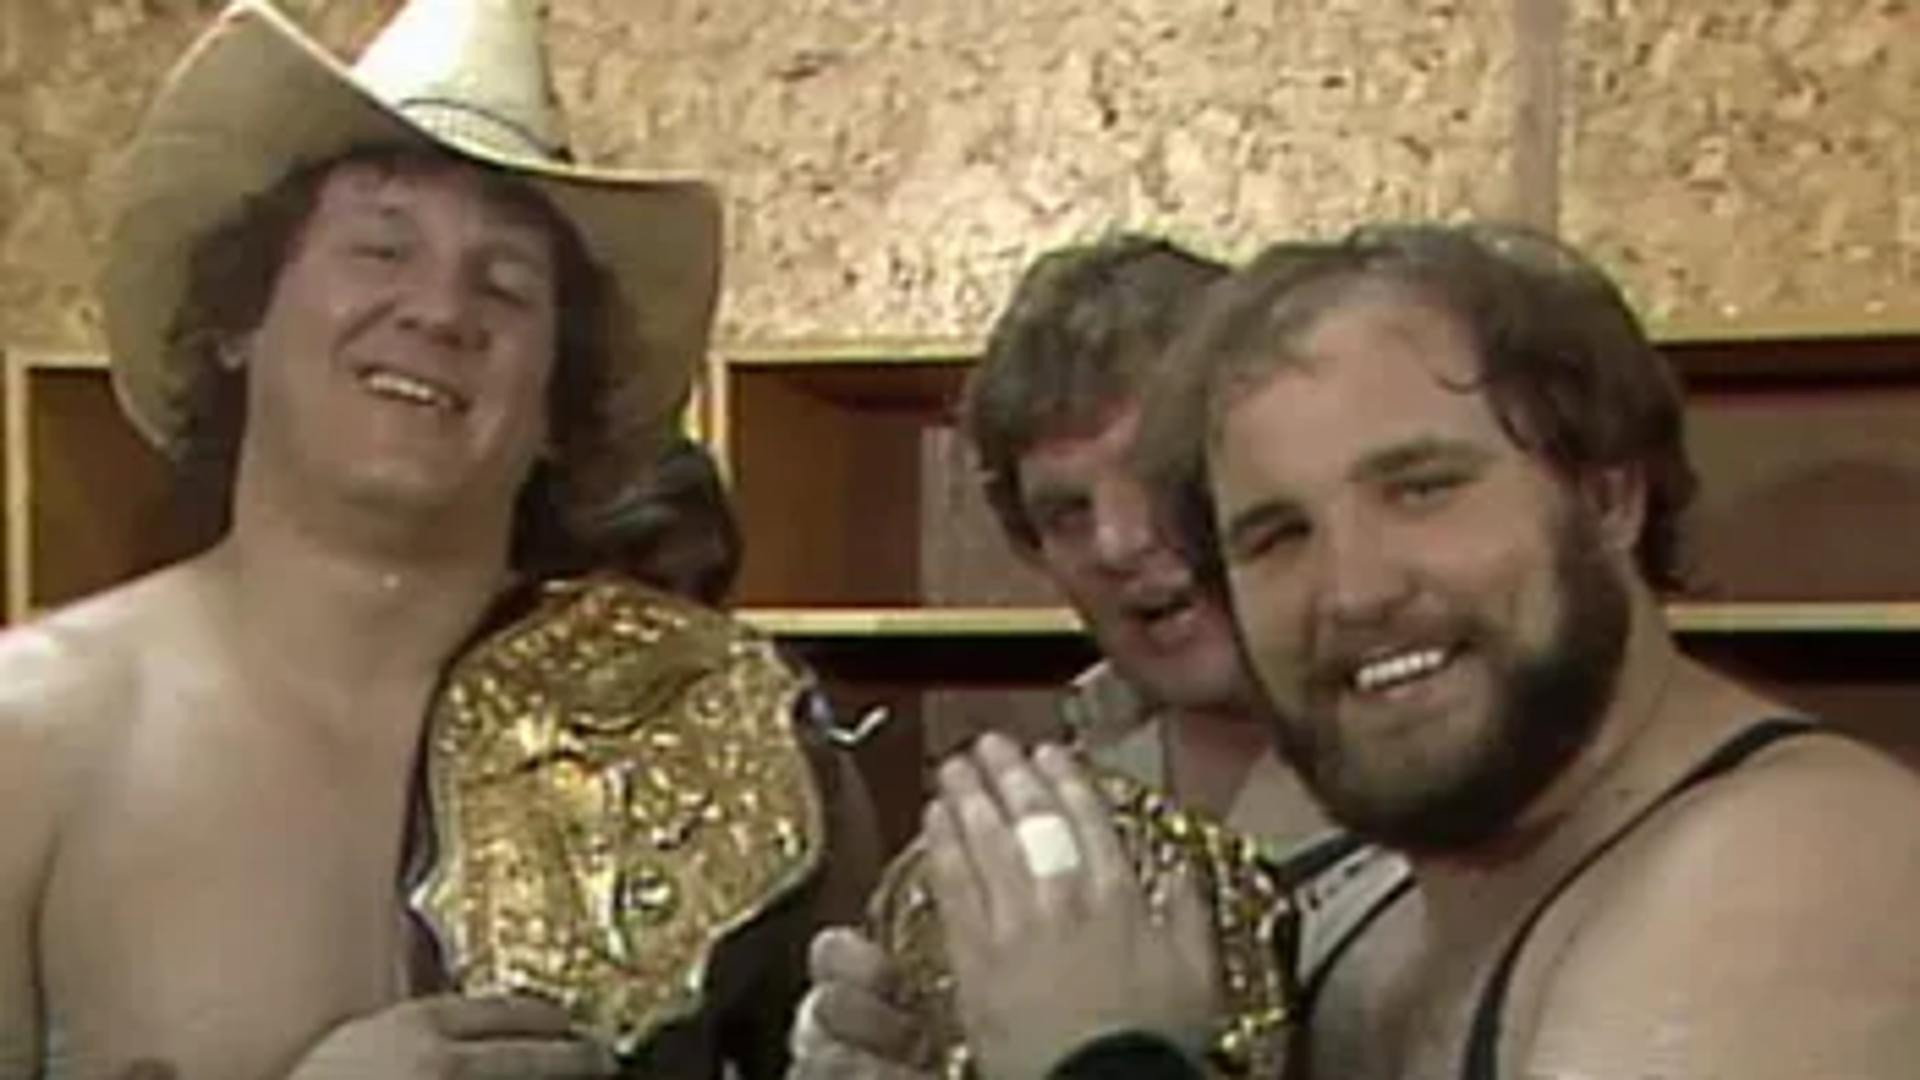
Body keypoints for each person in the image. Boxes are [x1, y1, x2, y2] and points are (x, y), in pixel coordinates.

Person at [0, 2, 872, 1078]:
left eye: (505, 283)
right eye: (381, 248)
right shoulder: (28, 735)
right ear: (237, 316)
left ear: (559, 396)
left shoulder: (725, 739)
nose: (440, 311)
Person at [915, 223, 1920, 1078]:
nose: (1354, 591)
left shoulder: (1787, 867)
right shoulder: (1430, 914)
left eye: (1423, 489)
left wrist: (1099, 1051)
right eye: (1276, 535)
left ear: (1606, 495)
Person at [789, 236, 1409, 1077]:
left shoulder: (1458, 793)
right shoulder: (1035, 833)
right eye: (1066, 512)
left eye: (1158, 475)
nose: (1119, 541)